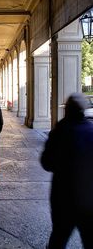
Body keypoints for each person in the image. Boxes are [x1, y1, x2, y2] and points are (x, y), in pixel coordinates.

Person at [40, 93, 93, 249]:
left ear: (67, 110)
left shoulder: (59, 131)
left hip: (63, 197)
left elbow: (46, 163)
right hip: (89, 198)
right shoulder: (91, 131)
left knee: (59, 237)